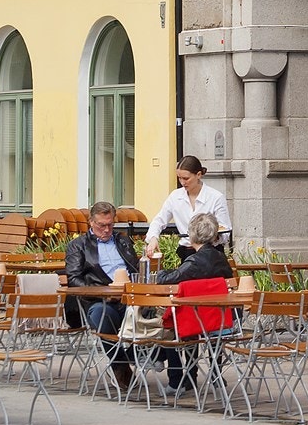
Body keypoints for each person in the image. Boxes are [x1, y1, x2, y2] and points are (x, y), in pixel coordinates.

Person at [155, 212, 234, 394]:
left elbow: (166, 280)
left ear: (191, 235)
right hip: (221, 321)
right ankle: (208, 373)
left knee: (167, 324)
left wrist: (161, 272)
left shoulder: (194, 262)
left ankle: (175, 378)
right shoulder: (221, 259)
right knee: (178, 319)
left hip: (196, 323)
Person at [63, 200, 140, 337]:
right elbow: (73, 279)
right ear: (91, 222)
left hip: (129, 296)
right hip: (99, 300)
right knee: (102, 313)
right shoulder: (79, 245)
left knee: (160, 311)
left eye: (110, 225)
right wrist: (101, 293)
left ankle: (151, 356)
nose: (106, 230)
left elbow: (136, 269)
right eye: (102, 225)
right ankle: (120, 358)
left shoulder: (122, 241)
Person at [145, 157, 232, 256]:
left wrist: (211, 237)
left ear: (198, 175)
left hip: (212, 252)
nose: (182, 182)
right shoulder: (175, 196)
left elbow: (225, 230)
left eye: (186, 178)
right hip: (186, 253)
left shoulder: (216, 197)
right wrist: (153, 238)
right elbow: (159, 220)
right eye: (179, 178)